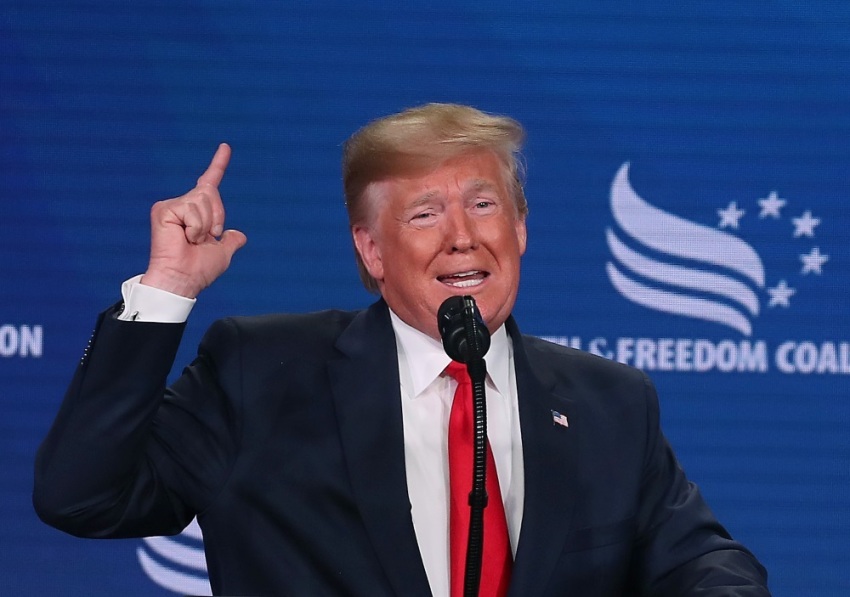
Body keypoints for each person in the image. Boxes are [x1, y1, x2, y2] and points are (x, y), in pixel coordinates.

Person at [34, 103, 770, 596]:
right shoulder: (260, 374)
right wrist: (166, 288)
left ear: (520, 228)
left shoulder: (609, 401)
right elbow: (83, 494)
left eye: (483, 204)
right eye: (425, 213)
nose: (462, 235)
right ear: (371, 250)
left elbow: (700, 560)